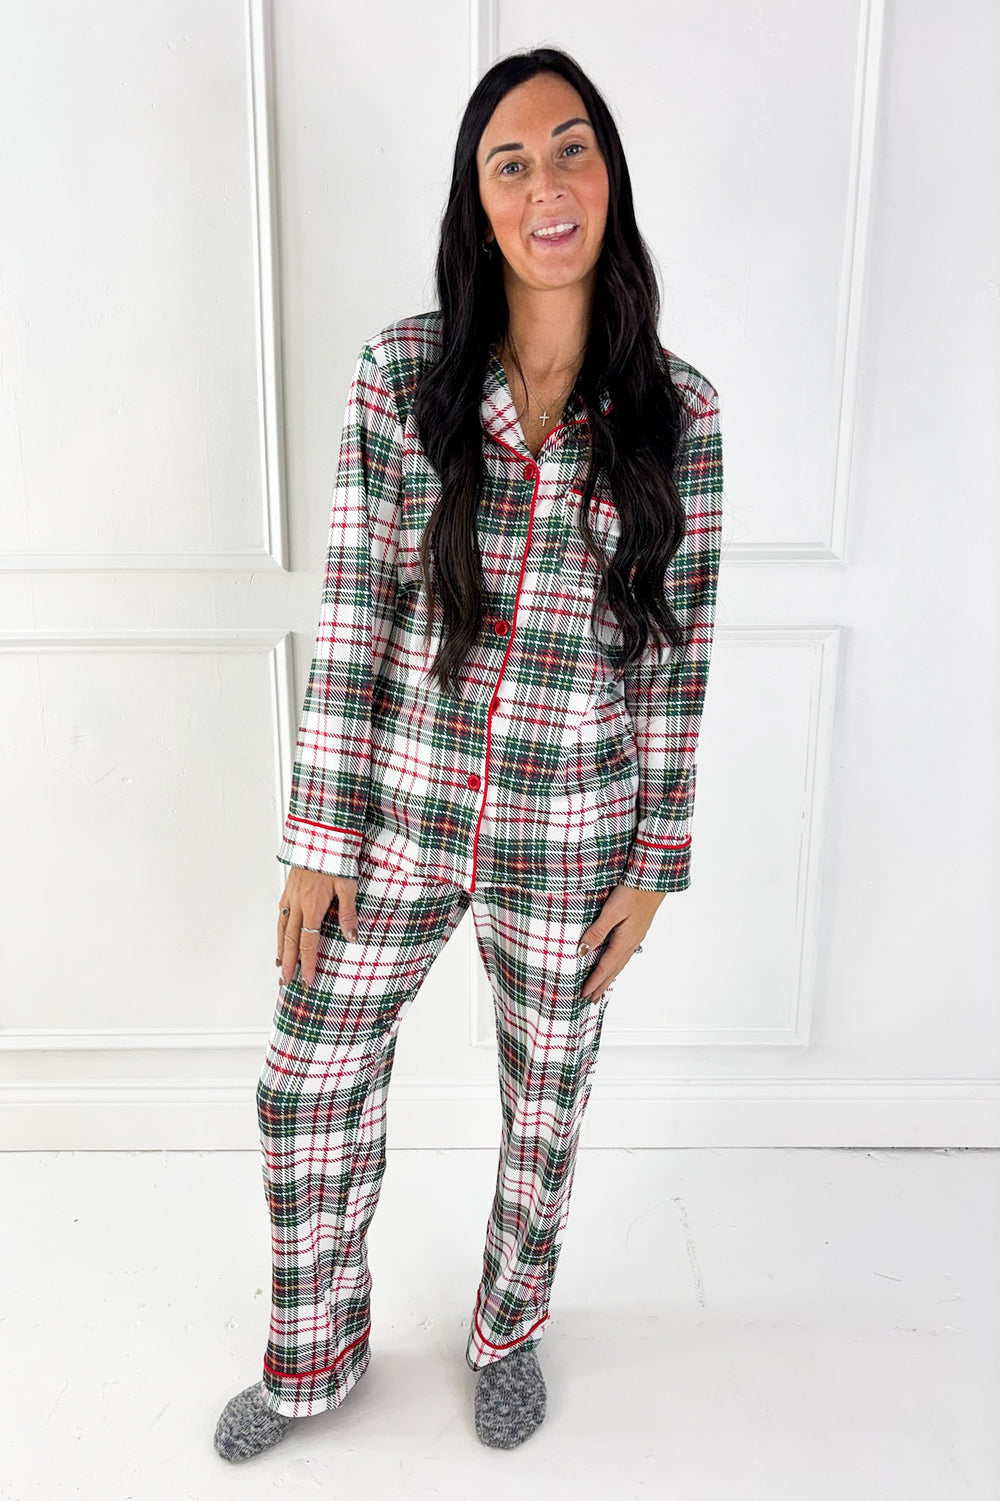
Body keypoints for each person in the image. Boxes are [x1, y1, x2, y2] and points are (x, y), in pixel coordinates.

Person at [214, 44, 723, 1462]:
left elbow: (678, 652)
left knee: (544, 1099)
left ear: (608, 177)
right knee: (304, 1078)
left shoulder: (681, 413)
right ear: (479, 202)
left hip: (575, 832)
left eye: (572, 149)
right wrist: (319, 837)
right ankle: (313, 1360)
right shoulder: (403, 376)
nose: (546, 184)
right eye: (512, 162)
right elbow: (354, 611)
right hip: (400, 812)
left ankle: (507, 1329)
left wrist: (657, 865)